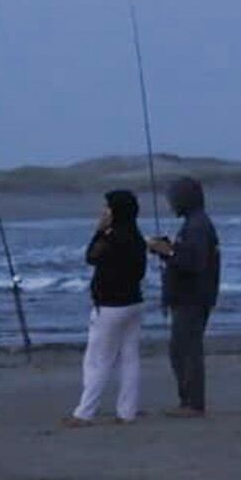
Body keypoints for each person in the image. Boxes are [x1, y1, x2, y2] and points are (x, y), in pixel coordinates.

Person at [64, 189, 147, 426]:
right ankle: (127, 411)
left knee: (98, 359)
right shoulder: (137, 237)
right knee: (129, 358)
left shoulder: (111, 238)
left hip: (111, 307)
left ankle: (84, 412)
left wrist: (99, 230)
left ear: (116, 211)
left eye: (107, 207)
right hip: (134, 303)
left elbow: (91, 257)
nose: (103, 211)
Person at [146, 176, 220, 417]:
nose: (170, 203)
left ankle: (192, 404)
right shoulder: (194, 223)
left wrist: (166, 251)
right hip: (192, 297)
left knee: (186, 351)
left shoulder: (197, 226)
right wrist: (169, 249)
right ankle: (188, 401)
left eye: (173, 198)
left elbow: (193, 262)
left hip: (192, 298)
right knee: (182, 350)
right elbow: (188, 255)